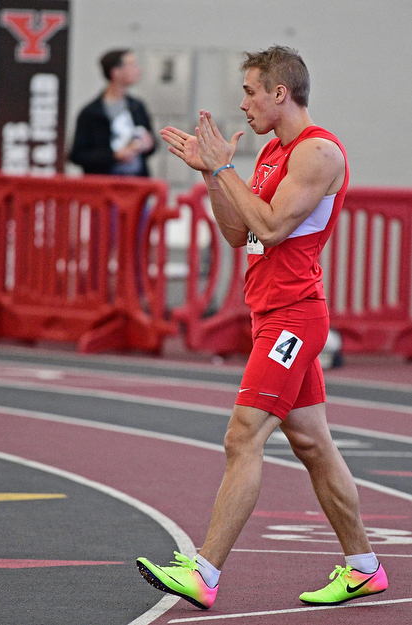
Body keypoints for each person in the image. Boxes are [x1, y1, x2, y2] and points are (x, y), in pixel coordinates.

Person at [136, 46, 388, 610]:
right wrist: (211, 175)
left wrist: (225, 168)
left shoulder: (317, 152)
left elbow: (271, 228)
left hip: (295, 315)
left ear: (280, 93)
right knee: (313, 443)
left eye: (250, 91)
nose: (243, 103)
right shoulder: (272, 152)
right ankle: (364, 567)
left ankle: (204, 572)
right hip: (268, 312)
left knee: (243, 435)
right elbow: (240, 232)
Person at [69, 49, 156, 176]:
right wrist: (114, 156)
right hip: (104, 185)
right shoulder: (91, 112)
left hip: (137, 184)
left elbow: (151, 145)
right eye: (132, 65)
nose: (138, 70)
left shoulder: (137, 106)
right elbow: (78, 155)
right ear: (115, 72)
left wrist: (148, 144)